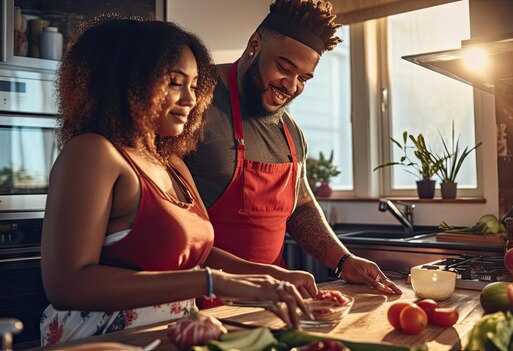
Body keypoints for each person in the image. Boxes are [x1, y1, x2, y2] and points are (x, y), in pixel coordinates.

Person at [39, 15, 317, 346]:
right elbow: (68, 285)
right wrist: (210, 284)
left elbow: (200, 254)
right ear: (127, 79)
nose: (190, 99)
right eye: (175, 82)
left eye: (194, 85)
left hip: (173, 336)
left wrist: (273, 276)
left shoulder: (171, 163)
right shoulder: (93, 153)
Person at [184, 0, 402, 295]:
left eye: (304, 78)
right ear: (254, 44)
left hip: (274, 302)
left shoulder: (290, 131)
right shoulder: (191, 103)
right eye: (284, 67)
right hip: (197, 302)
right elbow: (165, 221)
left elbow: (301, 207)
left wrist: (343, 260)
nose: (292, 86)